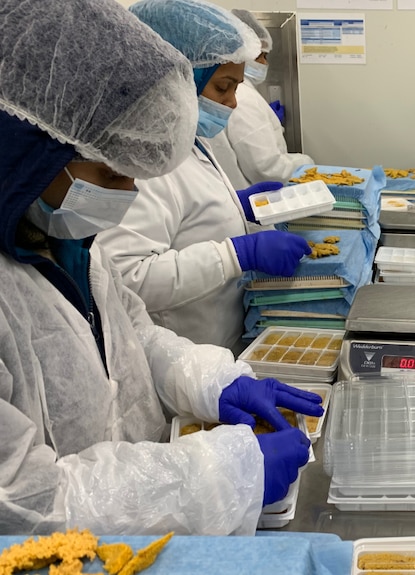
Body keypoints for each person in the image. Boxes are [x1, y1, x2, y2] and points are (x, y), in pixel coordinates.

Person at [0, 0, 323, 535]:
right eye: (110, 174)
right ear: (28, 151)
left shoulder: (69, 242)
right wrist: (216, 476)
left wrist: (214, 381)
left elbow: (135, 337)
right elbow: (24, 504)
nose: (128, 196)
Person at [97, 0, 311, 351]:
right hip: (183, 358)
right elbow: (127, 278)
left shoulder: (188, 141)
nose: (232, 103)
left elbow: (189, 217)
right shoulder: (139, 163)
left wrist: (235, 206)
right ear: (175, 78)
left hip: (222, 342)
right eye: (222, 87)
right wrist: (236, 255)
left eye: (236, 88)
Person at [206, 9, 314, 190]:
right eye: (259, 56)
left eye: (266, 56)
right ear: (240, 53)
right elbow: (266, 168)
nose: (264, 64)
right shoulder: (243, 97)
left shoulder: (242, 91)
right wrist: (306, 162)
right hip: (255, 206)